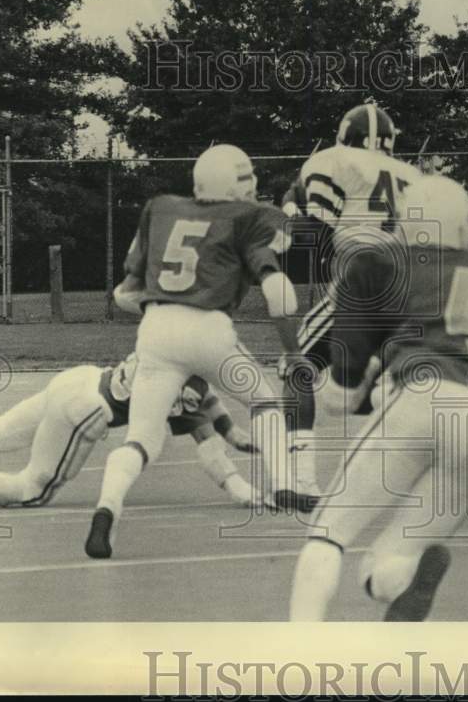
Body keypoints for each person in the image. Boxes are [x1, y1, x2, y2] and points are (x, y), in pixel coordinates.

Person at [288, 175, 468, 621]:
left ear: (408, 223)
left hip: (423, 397)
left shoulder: (380, 265)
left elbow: (339, 399)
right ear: (467, 225)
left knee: (327, 535)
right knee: (391, 563)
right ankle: (402, 576)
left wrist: (353, 381)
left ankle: (297, 656)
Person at [85, 143, 305, 558]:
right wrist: (292, 351)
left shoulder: (161, 207)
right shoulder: (254, 217)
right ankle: (284, 486)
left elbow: (126, 293)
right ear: (239, 183)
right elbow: (277, 290)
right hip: (208, 328)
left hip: (156, 331)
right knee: (264, 401)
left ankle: (106, 509)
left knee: (142, 439)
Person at [278, 103, 422, 512]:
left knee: (297, 367)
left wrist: (287, 211)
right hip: (411, 287)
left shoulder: (335, 163)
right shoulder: (409, 176)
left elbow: (311, 234)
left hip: (364, 284)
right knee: (393, 383)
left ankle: (303, 481)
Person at [0, 353, 264, 510]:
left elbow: (207, 399)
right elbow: (202, 425)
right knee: (31, 491)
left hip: (83, 377)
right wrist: (239, 487)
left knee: (1, 431)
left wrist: (232, 429)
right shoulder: (183, 383)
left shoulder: (168, 345)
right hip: (86, 410)